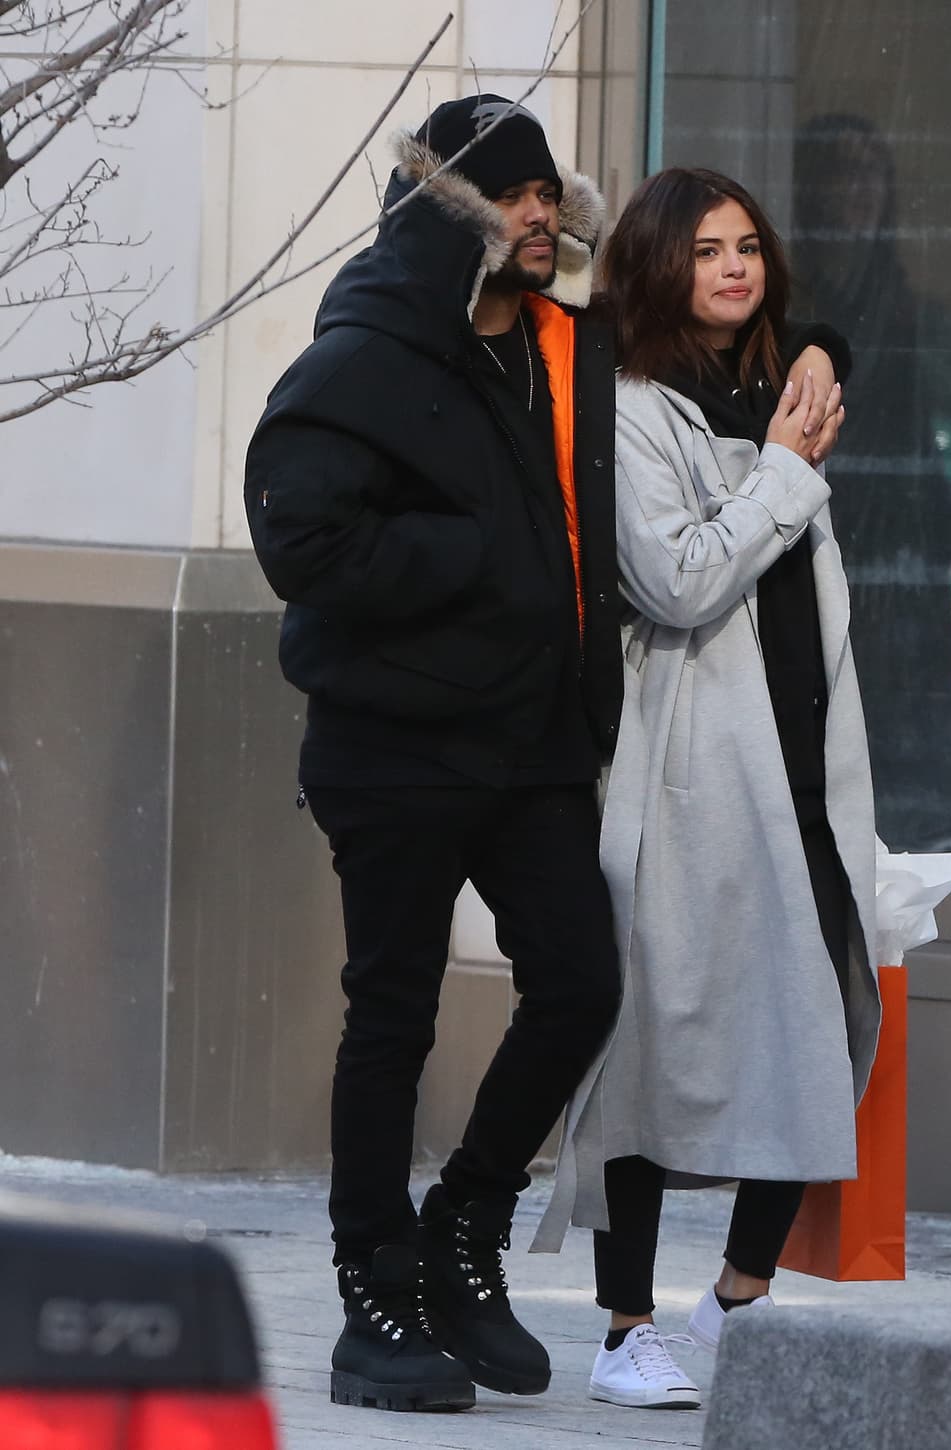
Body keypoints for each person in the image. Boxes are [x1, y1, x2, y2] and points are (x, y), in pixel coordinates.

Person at [243, 95, 627, 1413]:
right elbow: (301, 535)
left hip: (530, 745)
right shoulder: (371, 344)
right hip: (398, 743)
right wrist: (468, 561)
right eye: (513, 195)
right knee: (392, 1015)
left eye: (548, 197)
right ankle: (372, 1291)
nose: (540, 216)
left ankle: (464, 1227)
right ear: (458, 207)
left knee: (580, 980)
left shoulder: (562, 350)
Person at [531, 168, 882, 1411]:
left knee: (802, 1029)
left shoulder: (771, 383)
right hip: (685, 766)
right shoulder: (632, 404)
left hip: (797, 760)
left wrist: (819, 364)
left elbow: (827, 354)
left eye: (747, 247)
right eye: (705, 250)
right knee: (651, 1038)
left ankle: (739, 1300)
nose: (734, 268)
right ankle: (623, 1321)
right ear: (654, 264)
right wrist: (785, 469)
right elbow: (677, 580)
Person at [791, 113, 951, 849]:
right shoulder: (794, 305)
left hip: (905, 558)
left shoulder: (904, 300)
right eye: (838, 172)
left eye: (869, 173)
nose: (854, 190)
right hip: (828, 539)